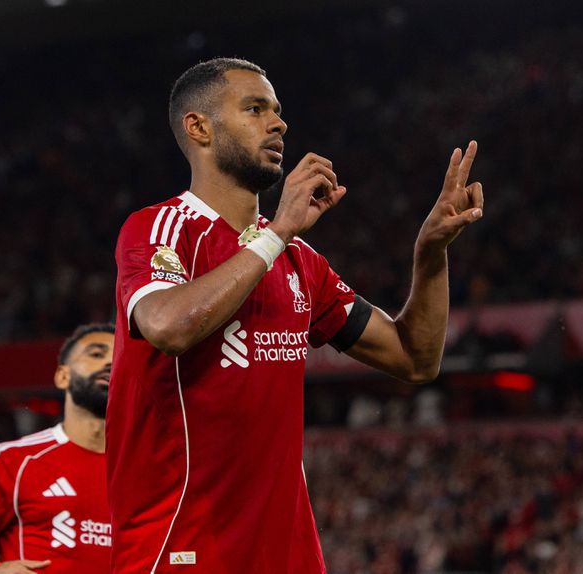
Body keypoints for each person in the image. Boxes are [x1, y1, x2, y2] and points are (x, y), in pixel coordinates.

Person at [108, 58, 484, 573]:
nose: (278, 123)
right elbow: (168, 326)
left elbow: (414, 358)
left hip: (288, 557)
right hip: (182, 549)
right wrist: (278, 231)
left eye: (278, 111)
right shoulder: (161, 228)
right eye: (255, 108)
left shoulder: (301, 264)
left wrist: (431, 253)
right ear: (199, 127)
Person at [0, 323, 114, 574]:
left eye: (120, 356)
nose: (111, 363)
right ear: (62, 376)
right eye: (97, 354)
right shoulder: (14, 461)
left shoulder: (155, 469)